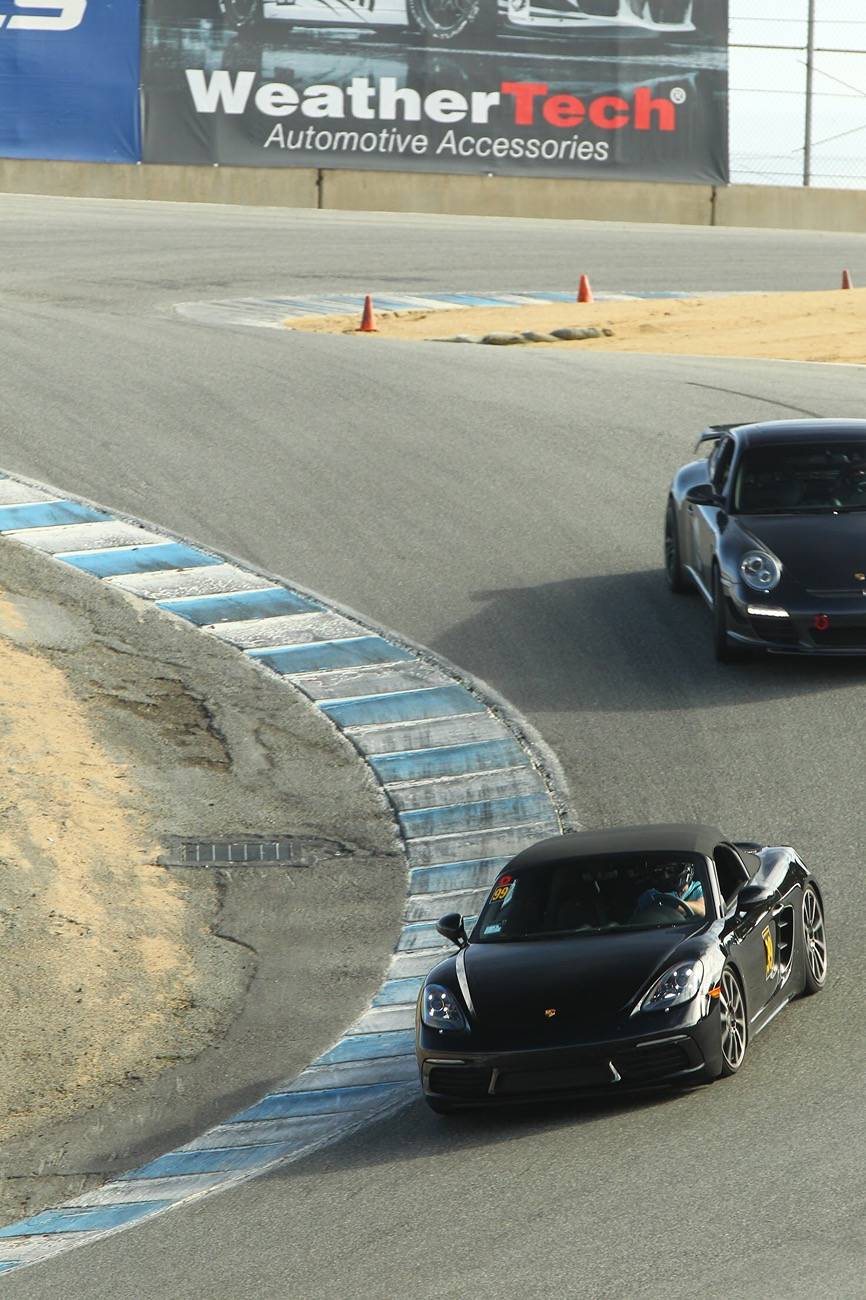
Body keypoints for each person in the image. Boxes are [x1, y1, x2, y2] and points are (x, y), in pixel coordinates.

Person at [634, 861, 705, 921]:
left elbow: (702, 909)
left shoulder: (698, 888)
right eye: (662, 871)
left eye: (671, 871)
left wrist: (671, 904)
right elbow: (637, 920)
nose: (666, 876)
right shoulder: (652, 894)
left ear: (686, 870)